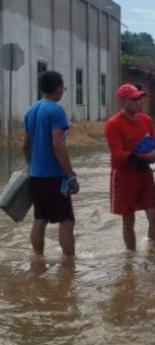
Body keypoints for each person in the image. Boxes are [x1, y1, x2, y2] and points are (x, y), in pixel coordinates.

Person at [22, 70, 79, 257]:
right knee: (66, 220)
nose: (63, 92)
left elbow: (25, 145)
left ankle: (38, 259)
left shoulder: (30, 111)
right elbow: (57, 145)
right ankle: (69, 264)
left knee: (40, 218)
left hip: (36, 175)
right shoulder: (56, 111)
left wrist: (31, 165)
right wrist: (70, 174)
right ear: (57, 89)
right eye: (63, 88)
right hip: (54, 176)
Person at [105, 83, 155, 251]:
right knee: (128, 221)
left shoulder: (146, 120)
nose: (139, 102)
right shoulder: (113, 124)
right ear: (122, 102)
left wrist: (154, 154)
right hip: (124, 176)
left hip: (144, 174)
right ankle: (130, 258)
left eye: (139, 98)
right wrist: (145, 156)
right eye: (134, 99)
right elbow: (118, 155)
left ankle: (152, 255)